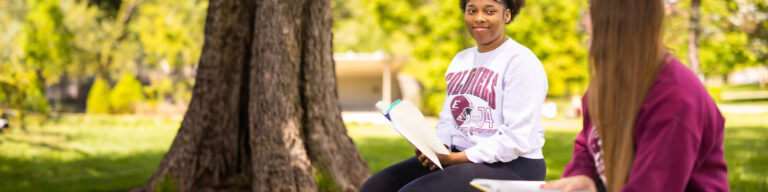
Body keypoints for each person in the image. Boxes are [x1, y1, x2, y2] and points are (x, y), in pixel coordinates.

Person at [540, 0, 729, 191]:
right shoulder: (605, 84)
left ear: (617, 20)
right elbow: (589, 143)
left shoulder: (675, 99)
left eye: (590, 12)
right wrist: (583, 174)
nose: (583, 22)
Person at [360, 0, 548, 191]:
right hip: (460, 157)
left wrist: (455, 158)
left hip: (514, 165)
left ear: (506, 15)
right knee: (376, 187)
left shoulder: (521, 62)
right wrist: (435, 148)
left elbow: (517, 139)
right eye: (472, 11)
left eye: (490, 11)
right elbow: (449, 121)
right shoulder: (461, 60)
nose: (479, 18)